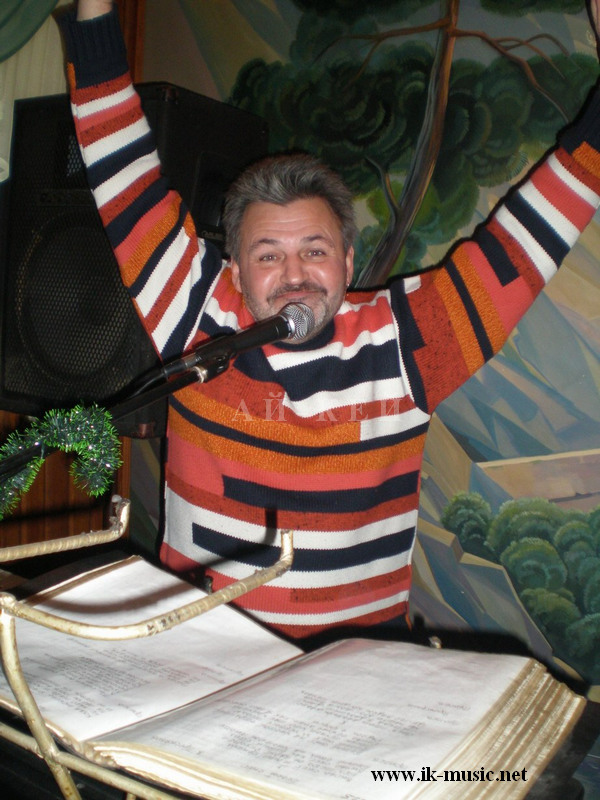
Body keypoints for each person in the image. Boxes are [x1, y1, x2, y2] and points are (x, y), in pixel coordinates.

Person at [61, 0, 600, 647]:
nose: (294, 275)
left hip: (355, 671)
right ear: (235, 270)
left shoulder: (404, 341)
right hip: (199, 654)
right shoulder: (194, 309)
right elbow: (120, 171)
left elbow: (523, 243)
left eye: (314, 251)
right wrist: (94, 12)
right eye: (268, 255)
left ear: (346, 261)